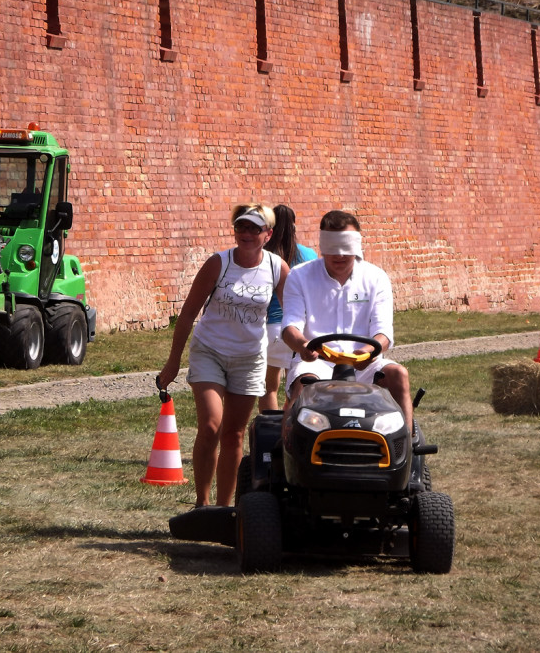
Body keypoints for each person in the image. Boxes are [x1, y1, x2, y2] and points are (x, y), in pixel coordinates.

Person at [158, 204, 289, 507]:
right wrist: (174, 360)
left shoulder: (276, 268)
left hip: (249, 358)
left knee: (234, 435)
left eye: (254, 229)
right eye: (241, 227)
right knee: (211, 426)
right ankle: (202, 505)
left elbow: (295, 313)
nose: (245, 233)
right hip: (210, 351)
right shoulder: (219, 263)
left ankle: (223, 509)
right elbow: (189, 312)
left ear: (267, 235)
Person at [281, 209, 413, 430]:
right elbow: (290, 326)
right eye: (333, 248)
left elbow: (384, 332)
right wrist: (303, 346)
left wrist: (372, 350)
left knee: (398, 374)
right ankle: (287, 450)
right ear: (323, 246)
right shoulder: (299, 276)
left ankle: (407, 446)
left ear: (357, 246)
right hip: (317, 361)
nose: (339, 256)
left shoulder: (376, 277)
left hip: (365, 364)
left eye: (346, 248)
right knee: (305, 385)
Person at [258, 205, 317, 412]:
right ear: (294, 225)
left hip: (270, 329)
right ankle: (290, 428)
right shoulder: (309, 255)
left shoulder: (264, 256)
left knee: (269, 389)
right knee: (296, 387)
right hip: (299, 330)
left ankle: (272, 431)